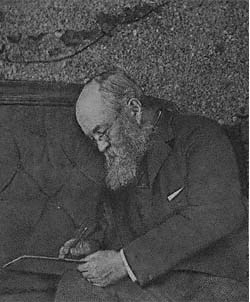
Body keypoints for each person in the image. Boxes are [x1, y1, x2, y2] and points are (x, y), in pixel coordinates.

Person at [55, 70, 248, 302]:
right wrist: (93, 245)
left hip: (210, 282)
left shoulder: (199, 135)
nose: (100, 147)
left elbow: (219, 213)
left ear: (134, 109)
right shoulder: (125, 160)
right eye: (93, 138)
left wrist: (125, 263)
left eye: (102, 132)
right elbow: (122, 231)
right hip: (157, 282)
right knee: (74, 286)